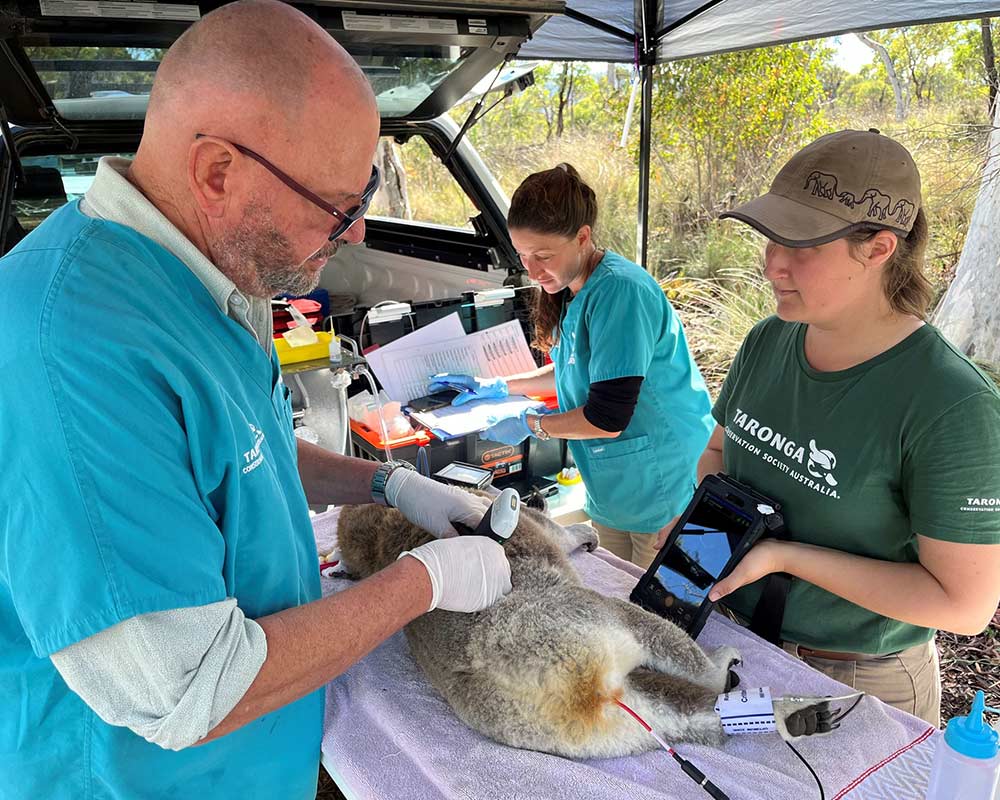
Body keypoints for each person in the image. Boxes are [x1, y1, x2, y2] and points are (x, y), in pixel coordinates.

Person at [0, 3, 513, 798]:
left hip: (253, 759)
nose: (353, 234)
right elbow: (187, 690)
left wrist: (387, 484)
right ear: (216, 173)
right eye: (338, 206)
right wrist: (424, 582)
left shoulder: (212, 281)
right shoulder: (73, 347)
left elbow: (248, 451)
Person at [701, 129, 1000, 726]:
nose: (772, 264)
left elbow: (965, 605)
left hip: (859, 676)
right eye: (769, 239)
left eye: (800, 245)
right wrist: (707, 530)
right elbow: (717, 450)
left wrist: (785, 558)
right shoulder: (767, 341)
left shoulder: (952, 404)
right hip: (742, 641)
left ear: (879, 248)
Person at [431, 164, 714, 568]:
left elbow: (607, 415)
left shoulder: (619, 292)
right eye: (523, 256)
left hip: (662, 482)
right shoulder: (572, 288)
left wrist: (534, 425)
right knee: (614, 596)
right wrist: (497, 386)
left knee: (654, 612)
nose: (531, 271)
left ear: (583, 237)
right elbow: (573, 370)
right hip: (616, 483)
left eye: (543, 256)